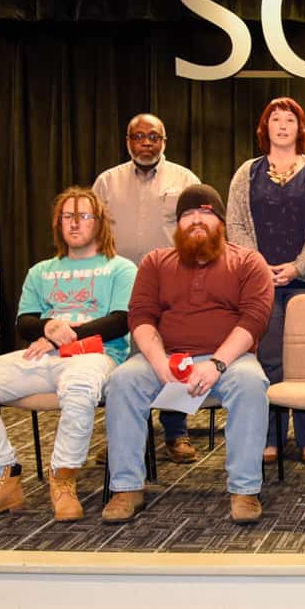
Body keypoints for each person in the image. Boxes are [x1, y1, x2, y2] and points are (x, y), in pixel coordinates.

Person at [0, 187, 137, 522]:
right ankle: (3, 479)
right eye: (68, 216)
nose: (75, 223)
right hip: (42, 359)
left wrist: (59, 338)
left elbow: (120, 322)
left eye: (84, 216)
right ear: (58, 223)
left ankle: (63, 482)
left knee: (79, 388)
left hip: (96, 356)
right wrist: (49, 327)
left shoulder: (120, 269)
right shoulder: (41, 271)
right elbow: (25, 323)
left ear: (100, 223)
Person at [102, 184, 274, 525]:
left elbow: (254, 319)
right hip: (164, 357)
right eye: (187, 214)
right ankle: (126, 487)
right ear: (177, 224)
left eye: (205, 213)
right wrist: (158, 361)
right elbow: (140, 316)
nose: (196, 220)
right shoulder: (155, 262)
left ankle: (245, 490)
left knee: (252, 384)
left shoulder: (248, 262)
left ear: (221, 222)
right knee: (122, 381)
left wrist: (217, 364)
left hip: (230, 360)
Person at [228, 96, 305, 465]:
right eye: (275, 119)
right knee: (269, 359)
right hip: (261, 282)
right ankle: (271, 438)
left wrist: (298, 266)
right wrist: (260, 266)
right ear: (265, 128)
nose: (282, 126)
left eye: (289, 120)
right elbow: (235, 225)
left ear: (300, 129)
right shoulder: (247, 172)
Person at [93, 113, 202, 463]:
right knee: (124, 356)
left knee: (173, 353)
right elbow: (94, 235)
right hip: (120, 283)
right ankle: (125, 436)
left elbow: (200, 231)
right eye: (138, 137)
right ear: (128, 142)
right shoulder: (107, 183)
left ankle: (176, 432)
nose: (145, 143)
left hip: (172, 281)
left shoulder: (184, 179)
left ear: (164, 141)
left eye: (153, 137)